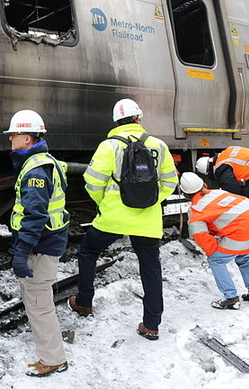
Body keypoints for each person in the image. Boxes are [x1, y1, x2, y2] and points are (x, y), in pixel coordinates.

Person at [68, 99, 178, 341]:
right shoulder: (159, 145)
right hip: (147, 221)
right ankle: (151, 325)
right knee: (150, 268)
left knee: (88, 252)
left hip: (113, 217)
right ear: (138, 119)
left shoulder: (109, 146)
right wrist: (151, 200)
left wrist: (104, 203)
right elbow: (171, 182)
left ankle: (84, 302)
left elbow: (93, 181)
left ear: (116, 122)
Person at [4, 109, 69, 377]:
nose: (10, 140)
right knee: (36, 300)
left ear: (27, 138)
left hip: (41, 248)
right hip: (46, 244)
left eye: (14, 135)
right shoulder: (44, 161)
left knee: (40, 304)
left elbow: (34, 217)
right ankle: (51, 354)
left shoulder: (35, 170)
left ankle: (53, 359)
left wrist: (21, 253)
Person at [179, 172, 249, 309]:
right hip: (244, 224)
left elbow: (200, 235)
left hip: (241, 231)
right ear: (203, 184)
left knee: (216, 260)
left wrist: (212, 250)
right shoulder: (218, 193)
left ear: (185, 194)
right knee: (244, 257)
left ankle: (231, 298)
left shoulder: (196, 211)